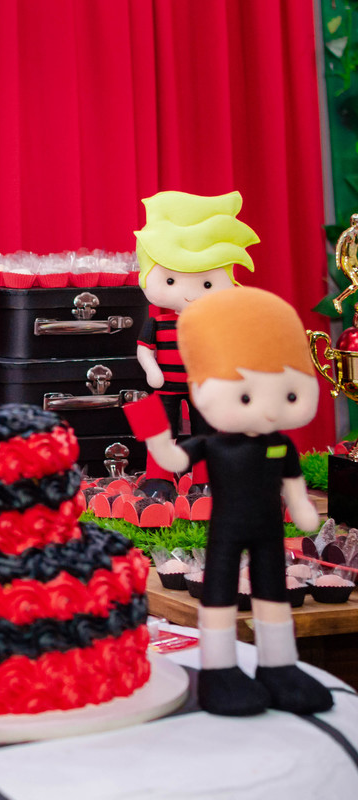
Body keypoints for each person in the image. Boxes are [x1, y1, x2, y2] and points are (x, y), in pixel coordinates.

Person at [128, 286, 333, 716]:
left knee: (273, 592)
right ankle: (220, 669)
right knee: (219, 593)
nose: (270, 410)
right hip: (225, 533)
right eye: (245, 396)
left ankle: (279, 665)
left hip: (269, 534)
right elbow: (173, 460)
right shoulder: (213, 444)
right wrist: (154, 431)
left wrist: (301, 508)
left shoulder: (280, 445)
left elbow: (293, 481)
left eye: (290, 395)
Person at [133, 190, 259, 500]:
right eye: (171, 281)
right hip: (165, 388)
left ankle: (206, 478)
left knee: (208, 430)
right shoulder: (157, 322)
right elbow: (145, 350)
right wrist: (151, 370)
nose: (189, 293)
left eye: (207, 284)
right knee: (161, 430)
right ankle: (159, 478)